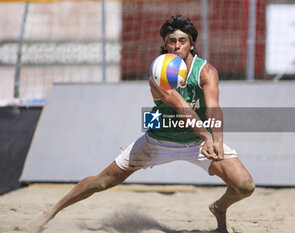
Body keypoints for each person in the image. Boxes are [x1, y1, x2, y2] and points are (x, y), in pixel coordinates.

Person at [24, 14, 255, 233]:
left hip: (197, 143)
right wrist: (208, 137)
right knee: (102, 182)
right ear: (165, 46)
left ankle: (219, 208)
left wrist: (217, 140)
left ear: (191, 45)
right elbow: (182, 107)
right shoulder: (159, 70)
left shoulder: (206, 71)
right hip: (158, 141)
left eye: (182, 41)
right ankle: (50, 212)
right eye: (171, 41)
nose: (176, 46)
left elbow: (213, 106)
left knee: (245, 185)